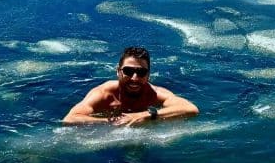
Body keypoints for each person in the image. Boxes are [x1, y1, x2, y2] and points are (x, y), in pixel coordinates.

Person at [62, 46, 199, 126]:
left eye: (141, 72)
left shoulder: (155, 94)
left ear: (148, 75)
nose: (134, 78)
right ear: (118, 71)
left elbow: (190, 109)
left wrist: (145, 116)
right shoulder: (104, 93)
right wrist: (112, 122)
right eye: (128, 71)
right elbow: (70, 119)